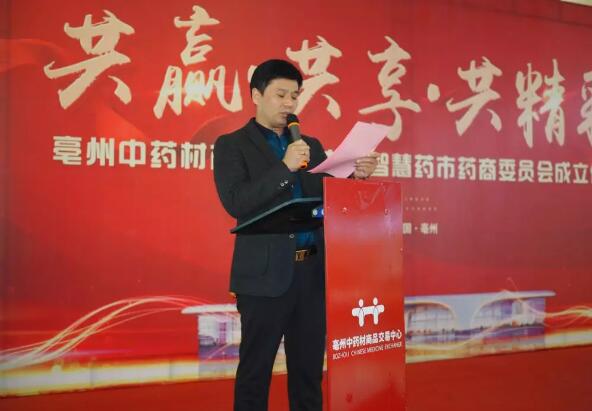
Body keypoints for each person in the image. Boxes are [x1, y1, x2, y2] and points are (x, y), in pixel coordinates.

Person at [213, 59, 378, 411]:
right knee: (255, 372)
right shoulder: (231, 145)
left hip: (312, 275)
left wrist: (355, 174)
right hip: (264, 277)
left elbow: (325, 194)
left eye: (295, 96)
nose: (289, 103)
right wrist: (284, 167)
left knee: (307, 373)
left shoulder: (310, 145)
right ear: (256, 95)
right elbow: (236, 201)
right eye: (280, 95)